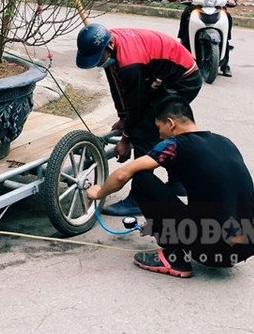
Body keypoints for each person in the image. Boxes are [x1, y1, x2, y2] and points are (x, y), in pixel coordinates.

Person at [87, 95, 254, 278]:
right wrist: (161, 223)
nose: (159, 135)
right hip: (245, 245)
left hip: (213, 250)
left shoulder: (175, 145)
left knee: (142, 179)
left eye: (159, 127)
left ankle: (174, 257)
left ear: (170, 123)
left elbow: (123, 174)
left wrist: (99, 192)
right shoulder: (224, 142)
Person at [75, 24, 202, 215]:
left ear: (109, 46)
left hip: (183, 79)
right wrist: (122, 117)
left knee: (145, 132)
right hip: (162, 74)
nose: (98, 63)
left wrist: (127, 138)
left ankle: (139, 199)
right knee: (153, 128)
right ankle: (178, 182)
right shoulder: (112, 45)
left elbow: (137, 103)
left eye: (98, 59)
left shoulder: (130, 64)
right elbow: (116, 85)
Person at [177, 0, 236, 76]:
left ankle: (225, 64)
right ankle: (184, 38)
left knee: (228, 18)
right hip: (197, 7)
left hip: (216, 8)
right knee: (186, 15)